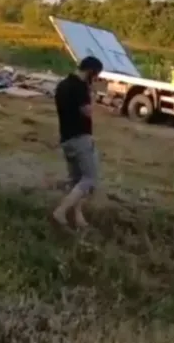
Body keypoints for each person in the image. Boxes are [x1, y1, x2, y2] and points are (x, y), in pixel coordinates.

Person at [51, 56, 104, 229]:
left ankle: (78, 217)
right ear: (91, 71)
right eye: (95, 75)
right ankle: (61, 211)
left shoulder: (62, 85)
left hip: (66, 138)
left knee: (76, 181)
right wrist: (92, 96)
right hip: (80, 138)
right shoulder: (80, 87)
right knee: (89, 178)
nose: (95, 79)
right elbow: (87, 112)